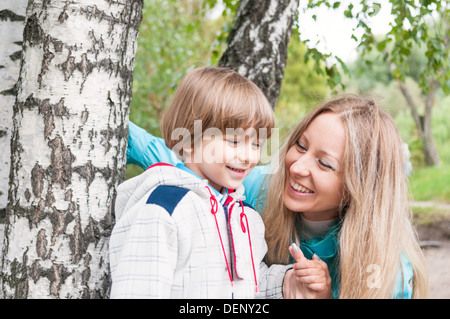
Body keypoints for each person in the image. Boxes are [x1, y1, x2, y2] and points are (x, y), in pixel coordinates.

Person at [125, 93, 429, 298]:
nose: (297, 167)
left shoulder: (387, 272)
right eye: (300, 145)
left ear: (361, 187)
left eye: (324, 163)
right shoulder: (260, 189)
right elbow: (185, 161)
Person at [109, 67, 331, 299]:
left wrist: (288, 283)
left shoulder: (246, 217)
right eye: (235, 141)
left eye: (256, 145)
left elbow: (249, 284)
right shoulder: (163, 209)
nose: (248, 157)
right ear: (188, 140)